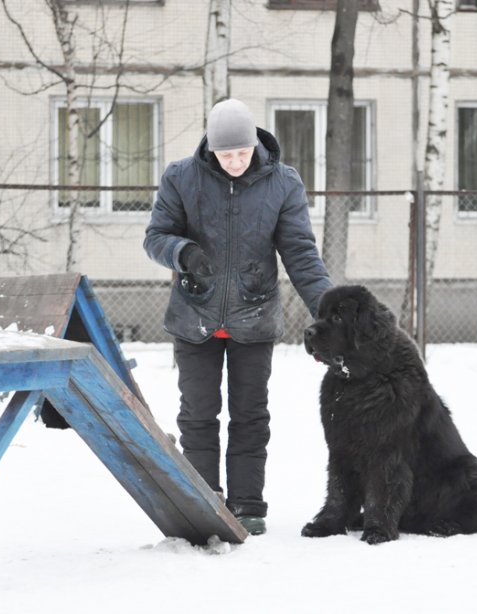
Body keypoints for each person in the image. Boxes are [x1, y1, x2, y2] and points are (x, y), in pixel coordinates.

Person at [144, 98, 332, 535]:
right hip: (195, 316)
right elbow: (156, 236)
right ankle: (204, 500)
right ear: (211, 148)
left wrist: (326, 310)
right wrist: (183, 253)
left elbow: (301, 253)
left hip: (254, 315)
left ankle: (249, 504)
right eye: (225, 155)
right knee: (197, 414)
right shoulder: (181, 177)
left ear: (254, 146)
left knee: (250, 414)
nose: (234, 162)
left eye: (242, 154)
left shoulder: (283, 183)